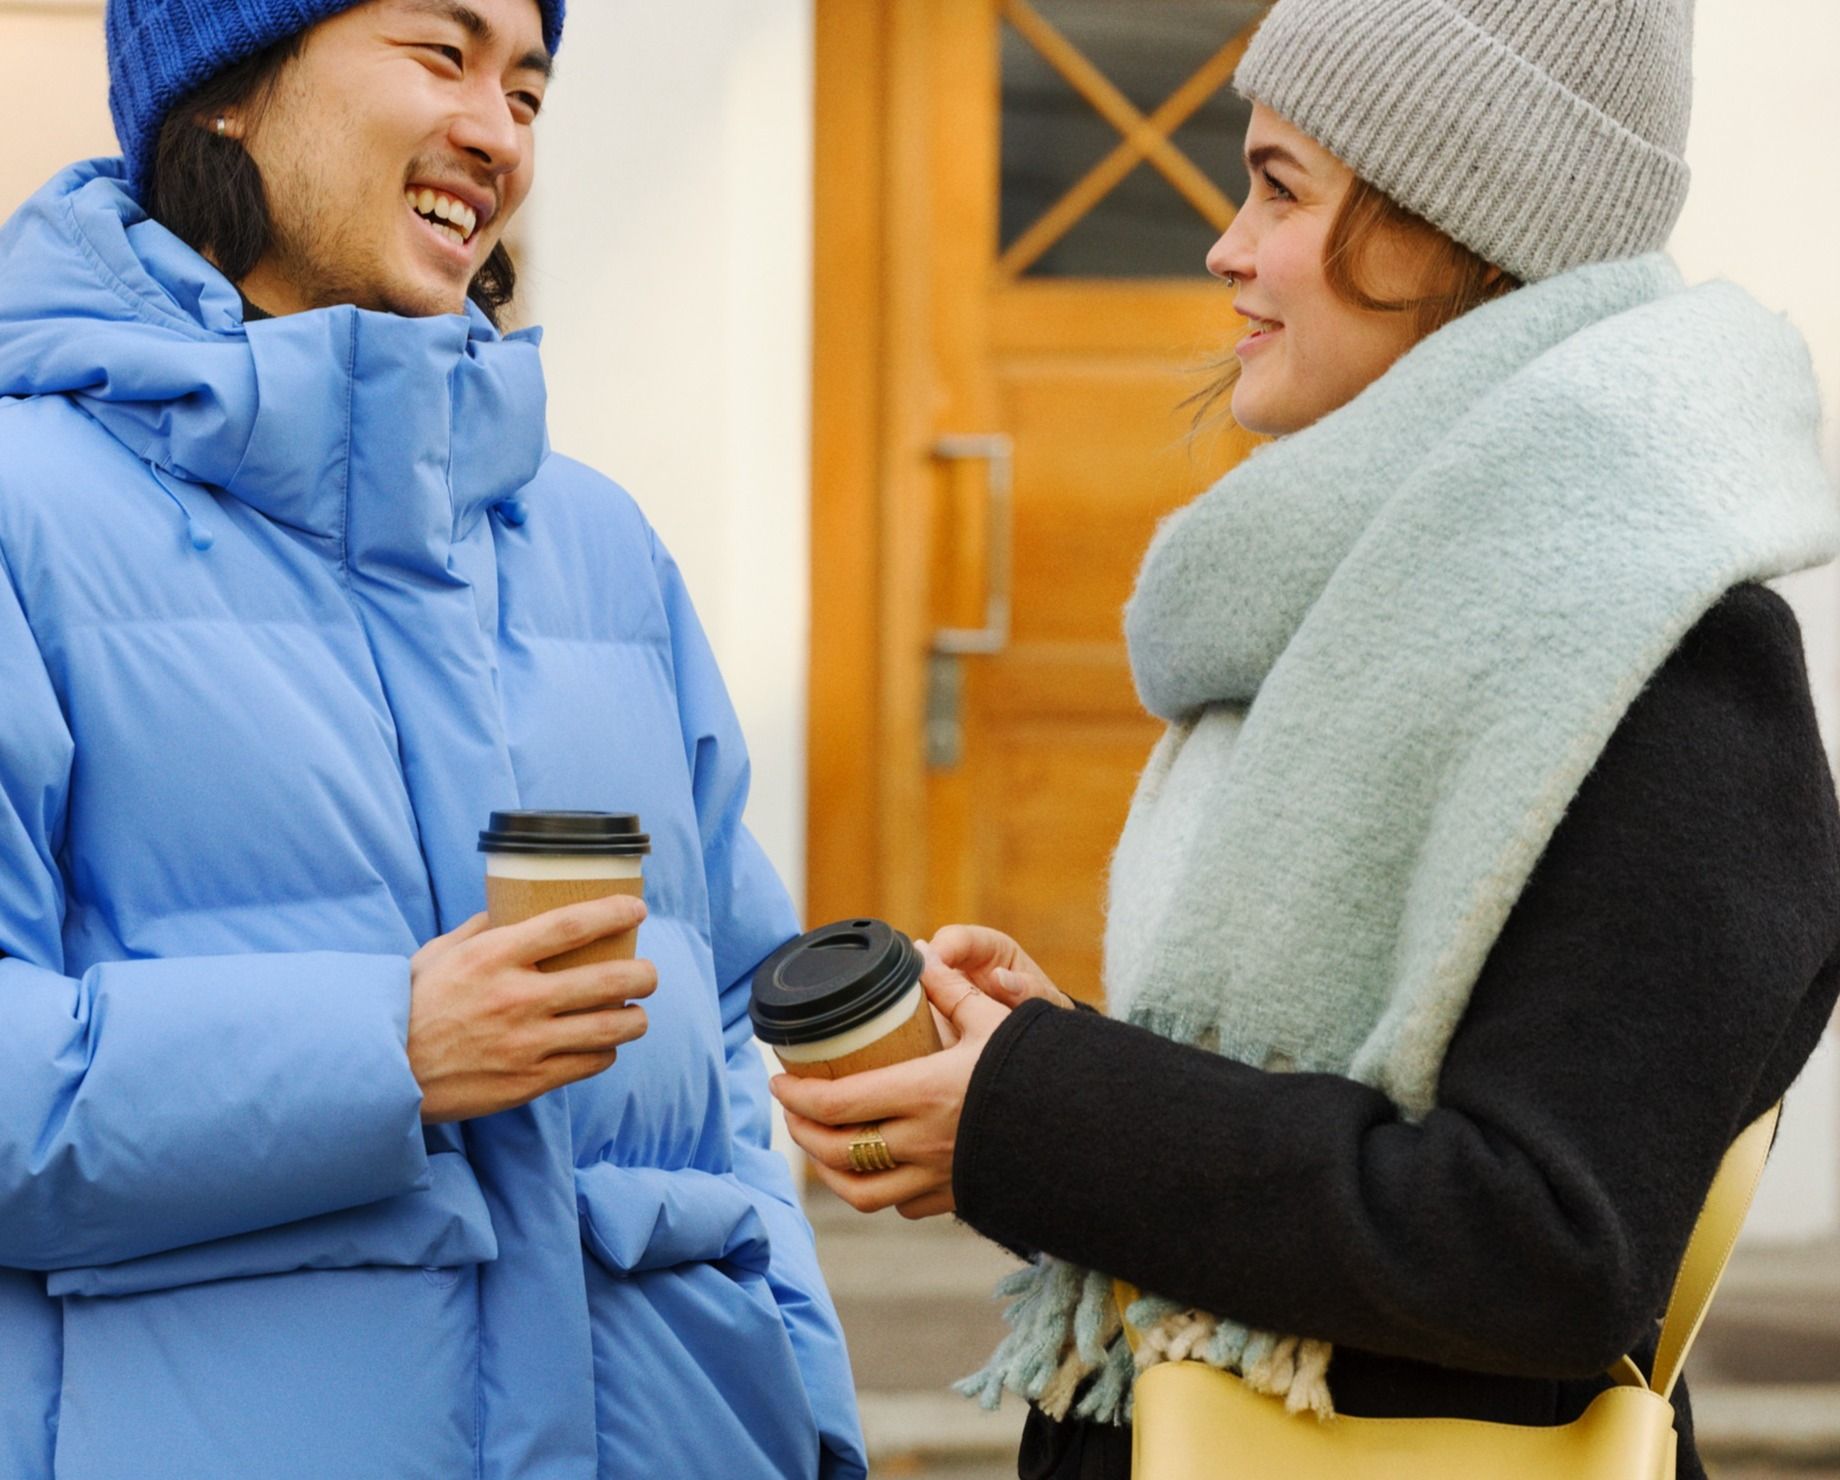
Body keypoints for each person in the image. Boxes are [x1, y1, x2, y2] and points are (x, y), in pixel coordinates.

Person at [771, 3, 1840, 1479]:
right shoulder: (1363, 610)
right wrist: (1043, 1072)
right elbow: (1343, 1134)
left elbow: (1541, 1241)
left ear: (1447, 223)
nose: (1225, 245)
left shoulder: (1665, 659)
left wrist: (1048, 1111)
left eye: (1278, 188)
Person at [0, 2, 866, 1476]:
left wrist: (796, 1399)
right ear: (223, 93)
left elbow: (721, 1029)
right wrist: (383, 1049)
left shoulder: (599, 546)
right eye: (439, 55)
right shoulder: (28, 516)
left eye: (528, 85)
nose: (499, 130)